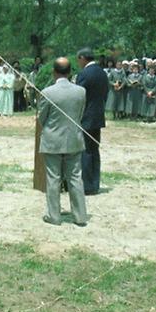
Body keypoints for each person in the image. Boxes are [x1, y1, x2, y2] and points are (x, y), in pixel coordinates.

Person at [38, 57, 88, 227]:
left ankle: (54, 216)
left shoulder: (47, 92)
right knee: (75, 177)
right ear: (70, 72)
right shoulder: (81, 91)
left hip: (52, 141)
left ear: (54, 72)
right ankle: (80, 216)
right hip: (74, 139)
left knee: (53, 178)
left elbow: (41, 118)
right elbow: (80, 115)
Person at [75, 48, 108, 195]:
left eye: (78, 60)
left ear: (82, 58)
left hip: (86, 117)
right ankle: (95, 183)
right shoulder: (102, 72)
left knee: (86, 151)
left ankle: (87, 185)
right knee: (94, 150)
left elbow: (78, 96)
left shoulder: (84, 74)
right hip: (98, 116)